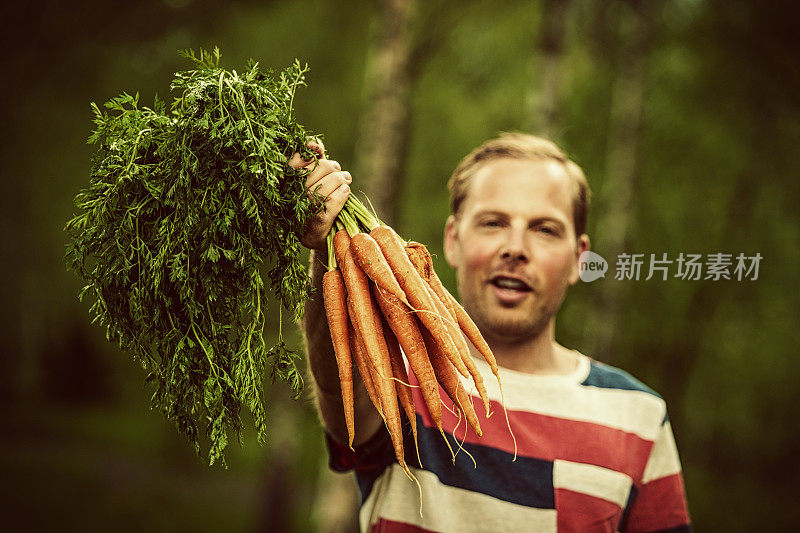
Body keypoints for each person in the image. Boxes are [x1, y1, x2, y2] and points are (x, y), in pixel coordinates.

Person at [294, 133, 691, 532]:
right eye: (493, 223)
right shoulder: (397, 372)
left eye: (545, 230)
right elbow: (334, 377)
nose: (515, 248)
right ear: (453, 240)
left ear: (578, 259)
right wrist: (320, 248)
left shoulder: (638, 416)